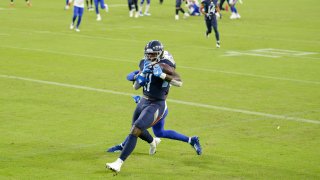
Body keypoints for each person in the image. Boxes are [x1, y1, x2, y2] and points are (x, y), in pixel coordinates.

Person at [106, 40, 202, 173]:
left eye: (153, 54)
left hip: (157, 103)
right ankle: (152, 142)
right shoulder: (143, 63)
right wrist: (140, 76)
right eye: (148, 54)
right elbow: (136, 87)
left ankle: (119, 162)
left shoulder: (165, 66)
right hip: (144, 101)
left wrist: (162, 75)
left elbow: (179, 83)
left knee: (136, 129)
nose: (150, 57)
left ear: (159, 54)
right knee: (138, 130)